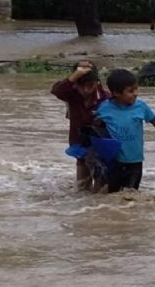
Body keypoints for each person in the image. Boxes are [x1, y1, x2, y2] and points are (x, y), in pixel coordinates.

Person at [96, 69, 155, 193]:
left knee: (131, 196)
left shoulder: (141, 107)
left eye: (136, 89)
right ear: (116, 93)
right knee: (112, 195)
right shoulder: (104, 109)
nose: (136, 93)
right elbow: (95, 129)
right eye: (130, 91)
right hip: (114, 162)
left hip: (135, 162)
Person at [51, 60, 110, 191]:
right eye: (80, 85)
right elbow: (57, 91)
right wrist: (75, 75)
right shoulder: (71, 95)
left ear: (98, 82)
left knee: (101, 188)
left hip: (100, 145)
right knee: (82, 187)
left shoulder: (106, 98)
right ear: (75, 84)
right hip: (79, 142)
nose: (85, 90)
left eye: (90, 85)